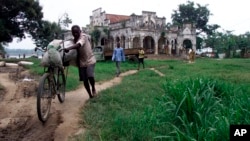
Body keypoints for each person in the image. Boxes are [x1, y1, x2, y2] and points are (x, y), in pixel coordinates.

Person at [63, 25, 97, 98]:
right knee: (85, 80)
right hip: (81, 62)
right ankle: (90, 95)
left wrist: (68, 48)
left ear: (80, 31)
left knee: (90, 75)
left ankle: (93, 88)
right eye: (73, 33)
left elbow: (78, 45)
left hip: (90, 60)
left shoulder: (83, 37)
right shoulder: (73, 40)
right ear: (72, 33)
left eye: (76, 32)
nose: (75, 34)